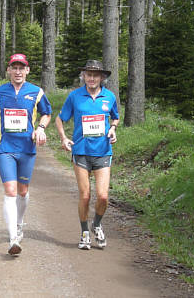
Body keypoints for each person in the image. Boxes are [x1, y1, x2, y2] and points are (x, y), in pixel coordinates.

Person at [0, 53, 52, 256]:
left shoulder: (36, 92)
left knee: (22, 191)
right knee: (10, 191)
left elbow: (47, 113)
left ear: (27, 70)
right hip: (6, 148)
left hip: (27, 148)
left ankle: (19, 223)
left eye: (22, 68)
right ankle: (13, 237)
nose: (18, 71)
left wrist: (40, 128)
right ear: (9, 71)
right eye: (15, 68)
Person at [55, 60, 119, 250]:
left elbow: (115, 117)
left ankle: (96, 224)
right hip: (81, 152)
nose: (91, 78)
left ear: (102, 77)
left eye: (95, 75)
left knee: (103, 196)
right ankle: (84, 232)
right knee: (85, 196)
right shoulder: (75, 96)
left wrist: (113, 129)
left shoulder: (109, 97)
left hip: (103, 152)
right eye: (88, 74)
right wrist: (64, 138)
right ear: (83, 76)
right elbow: (60, 119)